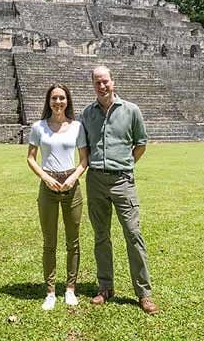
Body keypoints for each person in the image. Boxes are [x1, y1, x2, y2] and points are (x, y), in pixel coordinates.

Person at [80, 66, 159, 315]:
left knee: (133, 235)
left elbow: (141, 143)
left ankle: (144, 293)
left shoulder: (131, 110)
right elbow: (85, 148)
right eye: (97, 83)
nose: (101, 86)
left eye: (105, 81)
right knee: (101, 235)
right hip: (95, 180)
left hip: (123, 180)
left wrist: (125, 166)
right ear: (93, 85)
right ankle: (105, 287)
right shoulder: (87, 114)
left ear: (113, 82)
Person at [26, 83, 89, 310]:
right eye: (54, 98)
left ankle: (70, 288)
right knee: (49, 242)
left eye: (62, 98)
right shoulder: (38, 127)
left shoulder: (77, 127)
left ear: (68, 101)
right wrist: (45, 177)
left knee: (73, 241)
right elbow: (31, 158)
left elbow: (84, 159)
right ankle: (50, 291)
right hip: (48, 185)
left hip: (71, 185)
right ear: (48, 101)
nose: (58, 102)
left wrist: (74, 177)